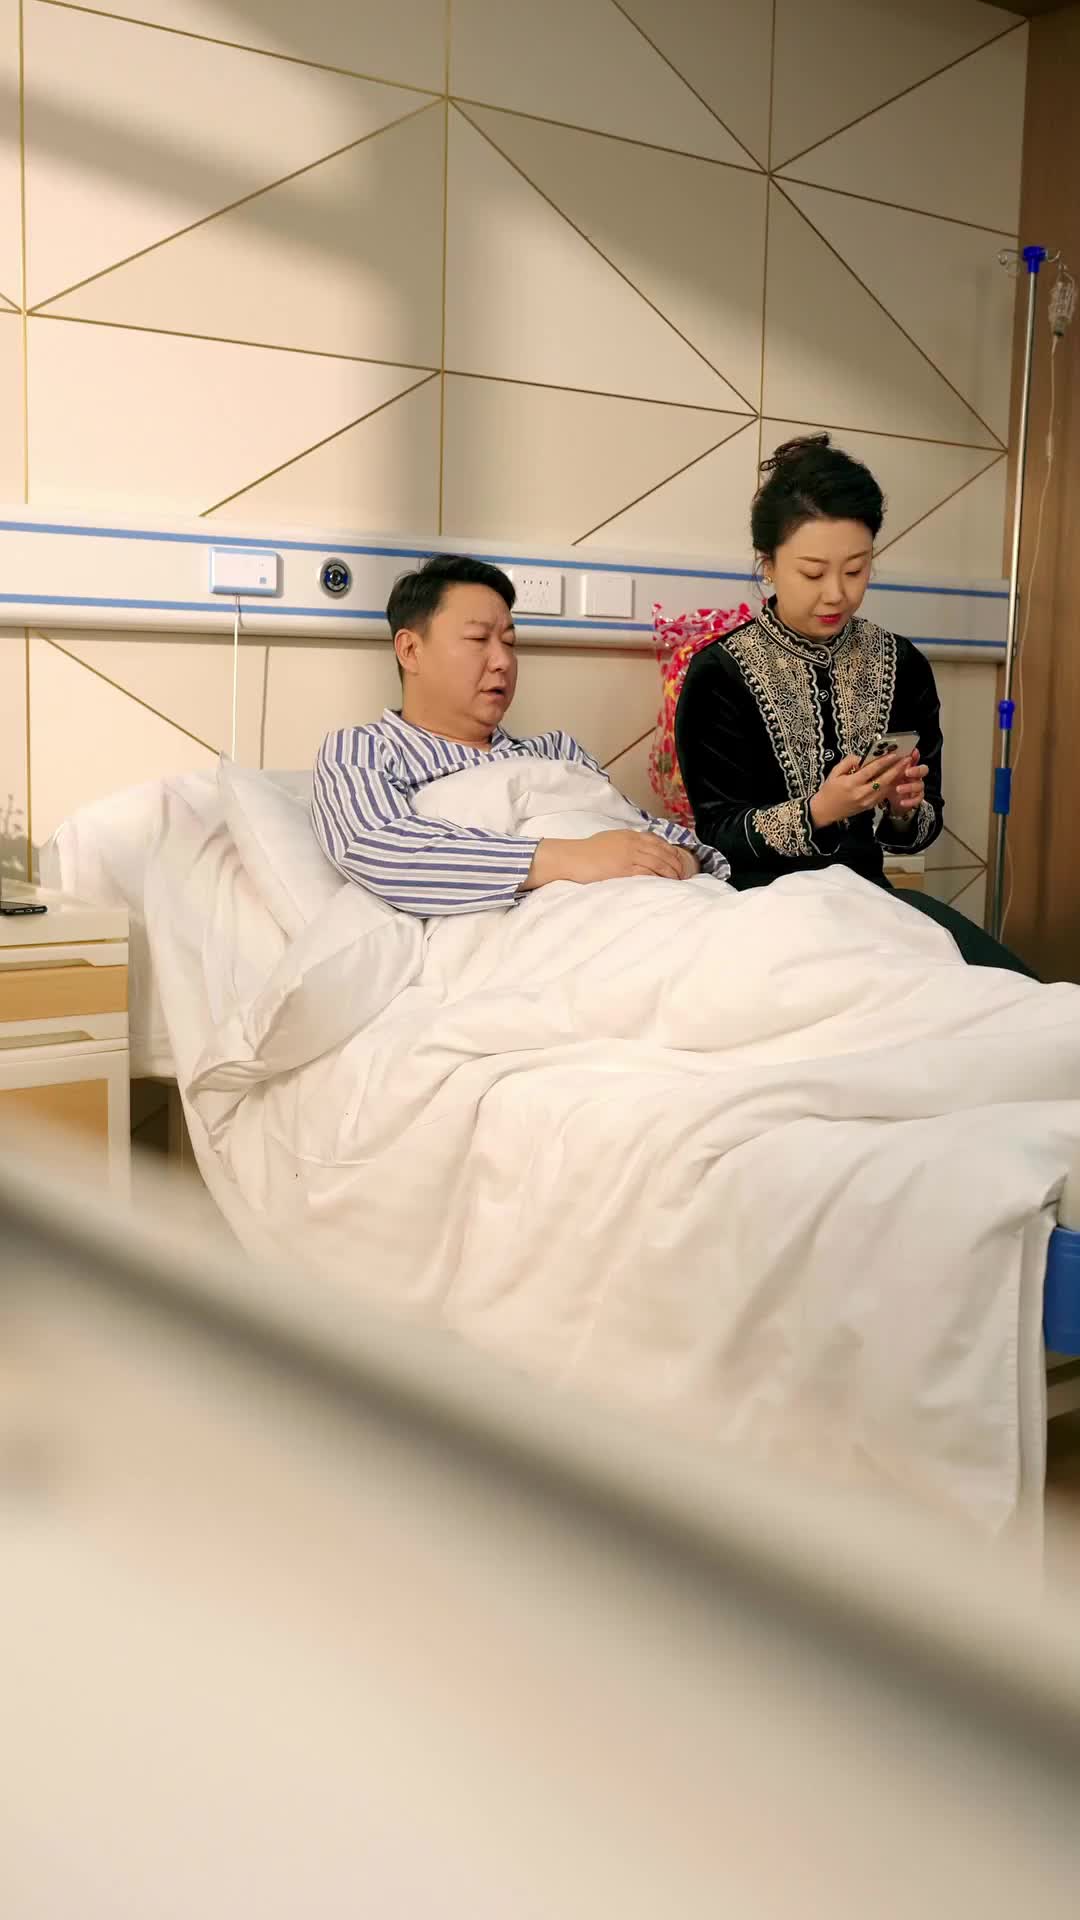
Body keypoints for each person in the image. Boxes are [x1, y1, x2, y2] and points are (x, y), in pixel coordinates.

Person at [674, 434, 1033, 975]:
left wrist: (904, 808)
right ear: (768, 565)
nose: (836, 593)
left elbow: (919, 832)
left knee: (1011, 988)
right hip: (759, 915)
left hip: (872, 906)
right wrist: (821, 810)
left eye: (856, 570)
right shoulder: (719, 673)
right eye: (813, 573)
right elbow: (718, 833)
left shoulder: (903, 664)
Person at [312, 553, 728, 916]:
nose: (502, 661)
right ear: (410, 650)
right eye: (478, 639)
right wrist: (572, 857)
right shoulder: (362, 751)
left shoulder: (556, 752)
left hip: (665, 903)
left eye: (509, 642)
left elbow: (650, 834)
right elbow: (385, 853)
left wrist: (681, 860)